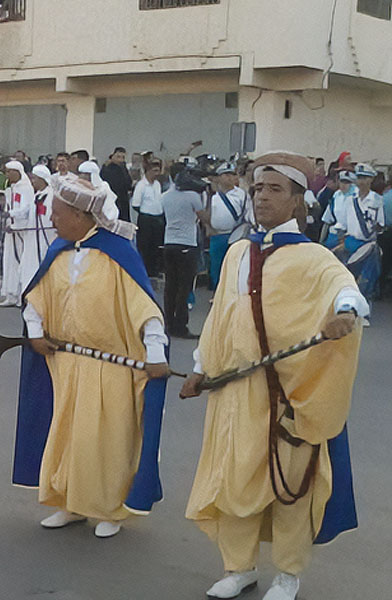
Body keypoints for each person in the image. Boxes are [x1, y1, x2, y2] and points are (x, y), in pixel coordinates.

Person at [181, 152, 367, 600]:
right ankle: (239, 567)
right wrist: (201, 368)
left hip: (287, 393)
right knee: (236, 476)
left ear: (298, 201)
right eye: (258, 188)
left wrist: (344, 312)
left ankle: (287, 575)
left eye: (275, 189)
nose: (262, 196)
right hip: (236, 391)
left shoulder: (313, 257)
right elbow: (219, 317)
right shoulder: (239, 252)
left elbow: (346, 288)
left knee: (291, 486)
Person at [13, 177, 167, 539]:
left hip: (113, 367)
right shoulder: (59, 251)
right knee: (68, 435)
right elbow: (36, 295)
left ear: (80, 215)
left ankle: (110, 508)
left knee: (108, 441)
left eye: (56, 212)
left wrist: (156, 351)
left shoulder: (118, 252)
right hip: (67, 364)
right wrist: (35, 333)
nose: (51, 218)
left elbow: (145, 307)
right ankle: (70, 503)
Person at [161, 163, 204, 338]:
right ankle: (181, 326)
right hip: (187, 243)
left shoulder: (165, 196)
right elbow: (203, 216)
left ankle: (169, 324)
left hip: (169, 242)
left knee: (170, 286)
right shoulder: (193, 196)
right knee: (184, 286)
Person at [334, 163, 384, 299]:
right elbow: (342, 224)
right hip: (350, 243)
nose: (362, 181)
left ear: (371, 180)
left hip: (368, 246)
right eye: (359, 177)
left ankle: (364, 316)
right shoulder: (350, 200)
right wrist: (341, 242)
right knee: (348, 283)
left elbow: (381, 224)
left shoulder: (377, 200)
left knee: (366, 285)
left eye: (365, 178)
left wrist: (376, 228)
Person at [204, 162, 252, 290]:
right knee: (217, 267)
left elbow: (248, 214)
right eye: (226, 175)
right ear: (219, 177)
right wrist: (208, 228)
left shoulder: (242, 194)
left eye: (232, 175)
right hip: (217, 235)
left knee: (234, 267)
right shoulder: (211, 195)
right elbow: (204, 213)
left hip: (236, 235)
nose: (230, 178)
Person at [0, 160, 36, 307]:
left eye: (9, 171)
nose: (7, 174)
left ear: (17, 172)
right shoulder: (12, 188)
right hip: (11, 230)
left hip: (22, 231)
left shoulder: (26, 188)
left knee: (21, 263)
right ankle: (11, 294)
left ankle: (22, 294)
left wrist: (11, 215)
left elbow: (26, 209)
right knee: (9, 262)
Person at [131, 160, 165, 277]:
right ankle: (144, 271)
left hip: (157, 218)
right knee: (145, 246)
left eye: (158, 170)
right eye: (154, 171)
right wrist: (146, 213)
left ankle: (154, 271)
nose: (157, 173)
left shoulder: (157, 184)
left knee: (156, 246)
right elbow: (136, 204)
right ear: (148, 171)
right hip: (146, 219)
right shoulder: (141, 185)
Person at [320, 171, 358, 248]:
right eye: (342, 182)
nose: (344, 185)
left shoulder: (357, 197)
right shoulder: (336, 196)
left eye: (347, 182)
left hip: (351, 236)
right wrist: (321, 241)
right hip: (335, 235)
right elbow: (327, 220)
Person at [29, 164, 57, 264]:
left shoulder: (51, 195)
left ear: (42, 179)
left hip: (48, 237)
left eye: (34, 178)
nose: (33, 181)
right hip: (35, 237)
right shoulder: (36, 195)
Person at [100, 147, 134, 221]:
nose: (120, 160)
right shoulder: (107, 168)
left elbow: (128, 183)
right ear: (113, 156)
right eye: (118, 157)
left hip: (123, 200)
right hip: (112, 199)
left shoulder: (123, 168)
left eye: (123, 157)